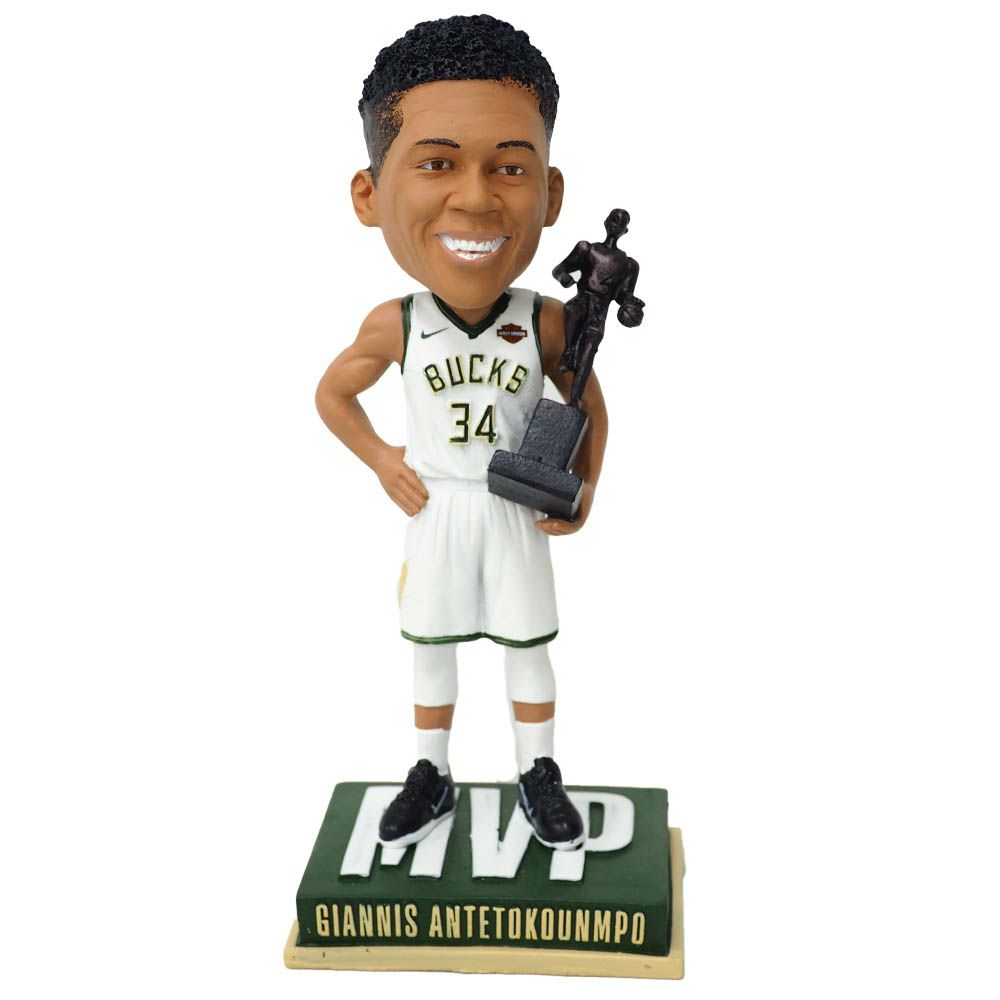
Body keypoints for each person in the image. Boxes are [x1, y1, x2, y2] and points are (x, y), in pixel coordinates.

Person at [315, 15, 608, 851]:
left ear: (550, 191)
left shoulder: (544, 321)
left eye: (510, 167)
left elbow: (589, 402)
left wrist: (585, 485)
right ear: (369, 194)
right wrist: (382, 459)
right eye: (437, 162)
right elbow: (333, 394)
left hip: (517, 502)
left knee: (527, 647)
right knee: (431, 648)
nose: (476, 198)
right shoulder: (398, 322)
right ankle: (431, 771)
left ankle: (538, 771)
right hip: (438, 503)